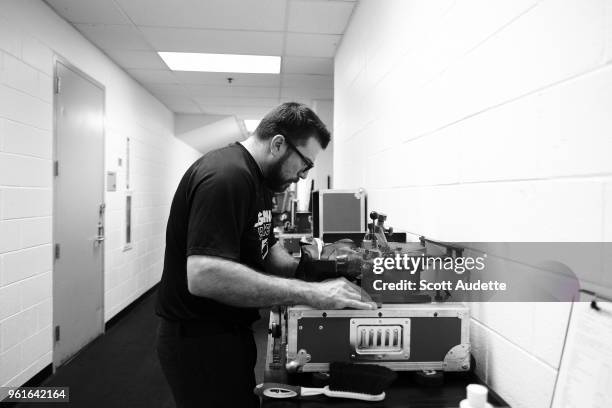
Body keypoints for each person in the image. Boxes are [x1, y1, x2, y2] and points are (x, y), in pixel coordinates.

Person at [155, 102, 374, 408]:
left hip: (229, 332)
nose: (302, 175)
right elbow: (204, 276)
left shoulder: (258, 182)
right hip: (198, 341)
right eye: (305, 164)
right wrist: (314, 294)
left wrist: (316, 270)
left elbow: (267, 250)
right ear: (278, 144)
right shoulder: (226, 177)